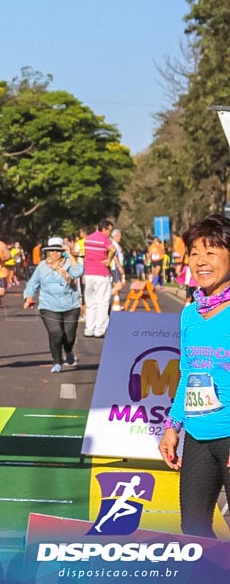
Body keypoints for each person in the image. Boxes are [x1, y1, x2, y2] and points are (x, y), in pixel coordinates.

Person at [159, 214, 230, 538]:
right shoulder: (190, 313)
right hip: (198, 438)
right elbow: (188, 372)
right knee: (194, 529)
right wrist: (173, 427)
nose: (201, 262)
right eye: (195, 253)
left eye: (211, 252)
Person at [22, 237, 85, 372]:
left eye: (58, 250)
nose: (54, 253)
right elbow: (33, 283)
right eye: (51, 251)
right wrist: (28, 297)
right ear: (47, 252)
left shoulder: (69, 263)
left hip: (70, 305)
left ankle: (68, 351)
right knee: (56, 333)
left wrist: (69, 254)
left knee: (69, 336)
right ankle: (57, 361)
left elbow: (78, 272)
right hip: (48, 306)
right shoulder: (42, 266)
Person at [82, 220, 116, 338]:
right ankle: (99, 330)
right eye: (109, 230)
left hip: (89, 273)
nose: (110, 233)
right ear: (104, 229)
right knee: (103, 302)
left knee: (90, 302)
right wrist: (109, 260)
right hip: (101, 273)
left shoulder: (88, 239)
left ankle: (89, 329)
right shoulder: (104, 239)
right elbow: (113, 250)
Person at [110, 228, 127, 311]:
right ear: (115, 236)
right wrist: (119, 266)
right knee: (118, 285)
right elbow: (114, 256)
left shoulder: (117, 244)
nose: (121, 237)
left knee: (117, 286)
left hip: (118, 266)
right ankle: (106, 297)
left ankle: (116, 304)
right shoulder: (113, 244)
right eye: (119, 236)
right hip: (115, 267)